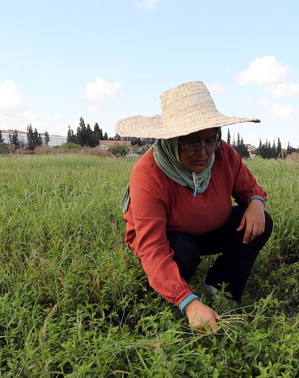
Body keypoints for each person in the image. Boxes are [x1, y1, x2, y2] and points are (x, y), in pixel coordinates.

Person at [116, 81, 273, 332]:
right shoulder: (148, 174)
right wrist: (188, 303)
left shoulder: (223, 153)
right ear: (171, 140)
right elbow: (153, 248)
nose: (204, 152)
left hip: (208, 231)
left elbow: (249, 188)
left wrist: (255, 203)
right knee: (183, 253)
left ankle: (219, 285)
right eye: (191, 142)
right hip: (172, 239)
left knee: (261, 221)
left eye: (210, 140)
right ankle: (181, 291)